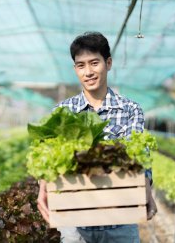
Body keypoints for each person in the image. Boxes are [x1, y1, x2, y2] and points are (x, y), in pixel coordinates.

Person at [37, 32, 157, 243]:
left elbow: (141, 156)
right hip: (74, 222)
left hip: (120, 220)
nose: (88, 72)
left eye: (94, 63)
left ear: (108, 63)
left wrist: (145, 186)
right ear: (75, 69)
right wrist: (42, 185)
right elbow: (47, 156)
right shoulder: (62, 112)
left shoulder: (130, 109)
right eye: (81, 65)